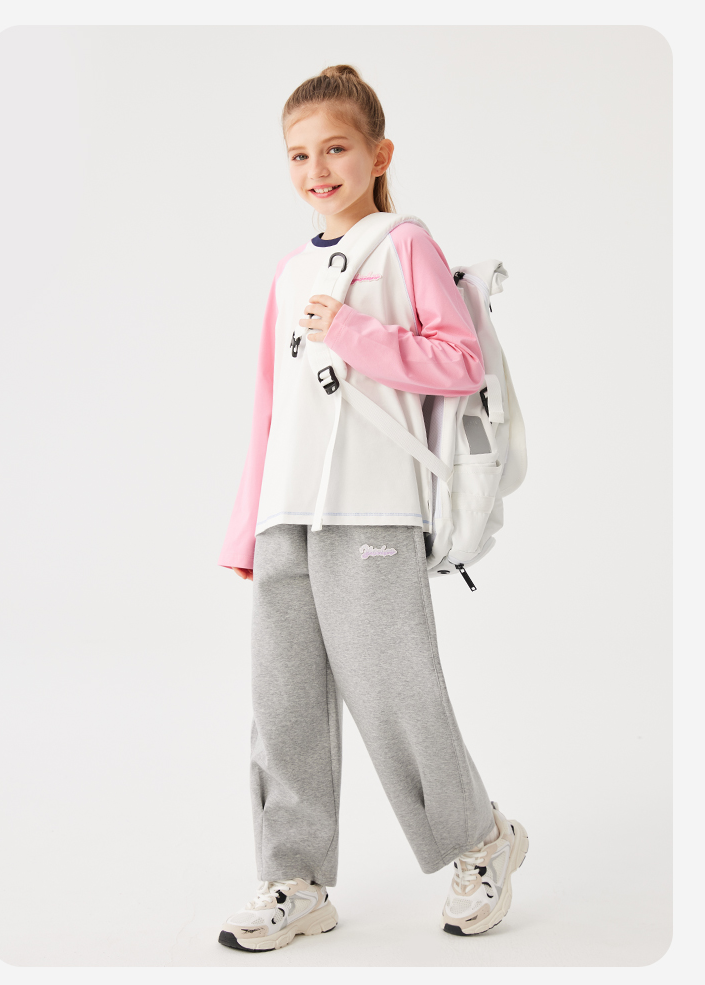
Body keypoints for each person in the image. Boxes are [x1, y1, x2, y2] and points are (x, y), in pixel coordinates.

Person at [216, 64, 528, 953]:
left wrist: (351, 331)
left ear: (378, 154)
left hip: (374, 509)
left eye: (336, 149)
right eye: (299, 155)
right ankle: (295, 880)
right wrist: (248, 524)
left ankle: (482, 841)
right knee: (283, 704)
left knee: (398, 694)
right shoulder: (287, 273)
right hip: (286, 514)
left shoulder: (404, 245)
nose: (317, 170)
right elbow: (268, 406)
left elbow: (458, 363)